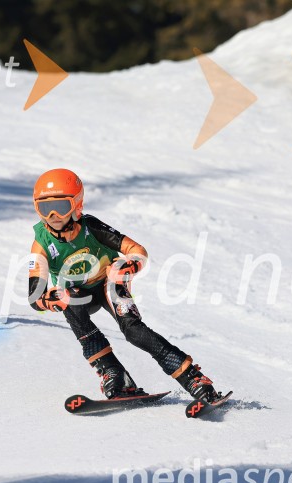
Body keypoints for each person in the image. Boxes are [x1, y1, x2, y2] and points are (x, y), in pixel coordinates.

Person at [27, 168, 223, 402]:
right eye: (44, 208)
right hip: (80, 296)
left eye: (60, 207)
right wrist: (49, 300)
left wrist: (129, 266)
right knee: (69, 300)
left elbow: (137, 251)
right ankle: (114, 374)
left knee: (133, 331)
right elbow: (34, 296)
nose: (53, 216)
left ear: (77, 205)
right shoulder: (41, 244)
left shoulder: (91, 227)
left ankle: (193, 378)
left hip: (109, 283)